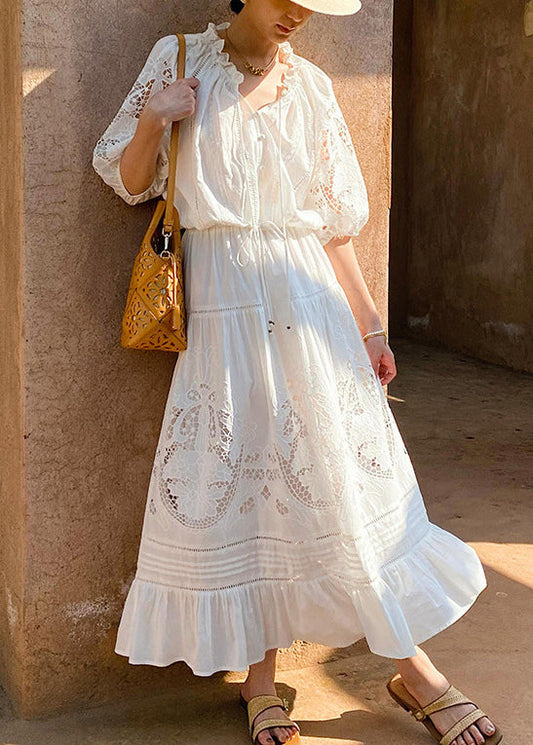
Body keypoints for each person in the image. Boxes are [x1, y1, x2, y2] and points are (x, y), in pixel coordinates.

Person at [92, 2, 502, 744]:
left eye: (311, 5)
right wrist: (154, 117)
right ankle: (259, 681)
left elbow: (333, 227)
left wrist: (369, 325)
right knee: (254, 495)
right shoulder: (179, 57)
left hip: (309, 309)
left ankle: (413, 669)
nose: (298, 17)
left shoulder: (311, 85)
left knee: (338, 486)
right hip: (222, 313)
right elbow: (128, 179)